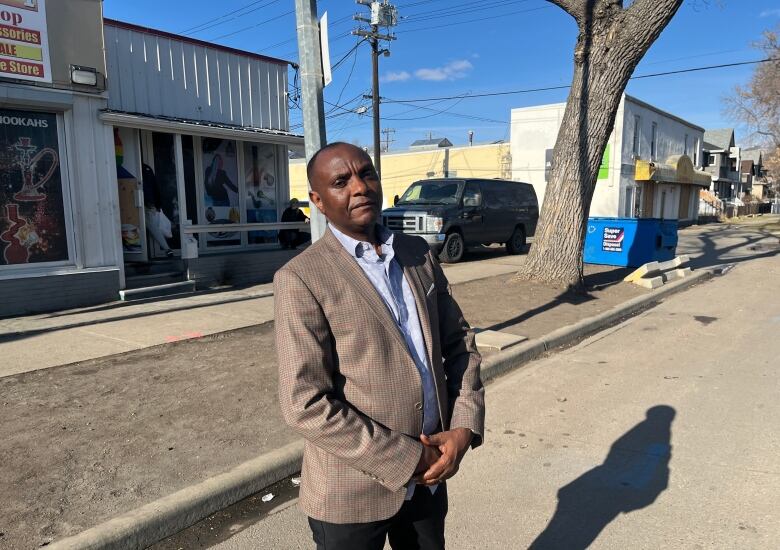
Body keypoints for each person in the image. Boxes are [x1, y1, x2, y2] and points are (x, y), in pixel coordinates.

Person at [274, 142, 485, 550]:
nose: (360, 187)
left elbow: (460, 344)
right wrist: (406, 459)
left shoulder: (417, 253)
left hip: (430, 478)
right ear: (318, 200)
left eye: (366, 173)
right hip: (351, 492)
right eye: (341, 181)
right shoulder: (302, 278)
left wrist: (463, 427)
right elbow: (304, 403)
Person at [142, 164, 173, 258]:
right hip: (150, 203)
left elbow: (150, 187)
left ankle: (167, 249)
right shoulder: (147, 168)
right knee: (153, 226)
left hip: (147, 204)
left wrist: (152, 203)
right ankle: (167, 248)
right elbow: (154, 186)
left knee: (152, 226)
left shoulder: (140, 169)